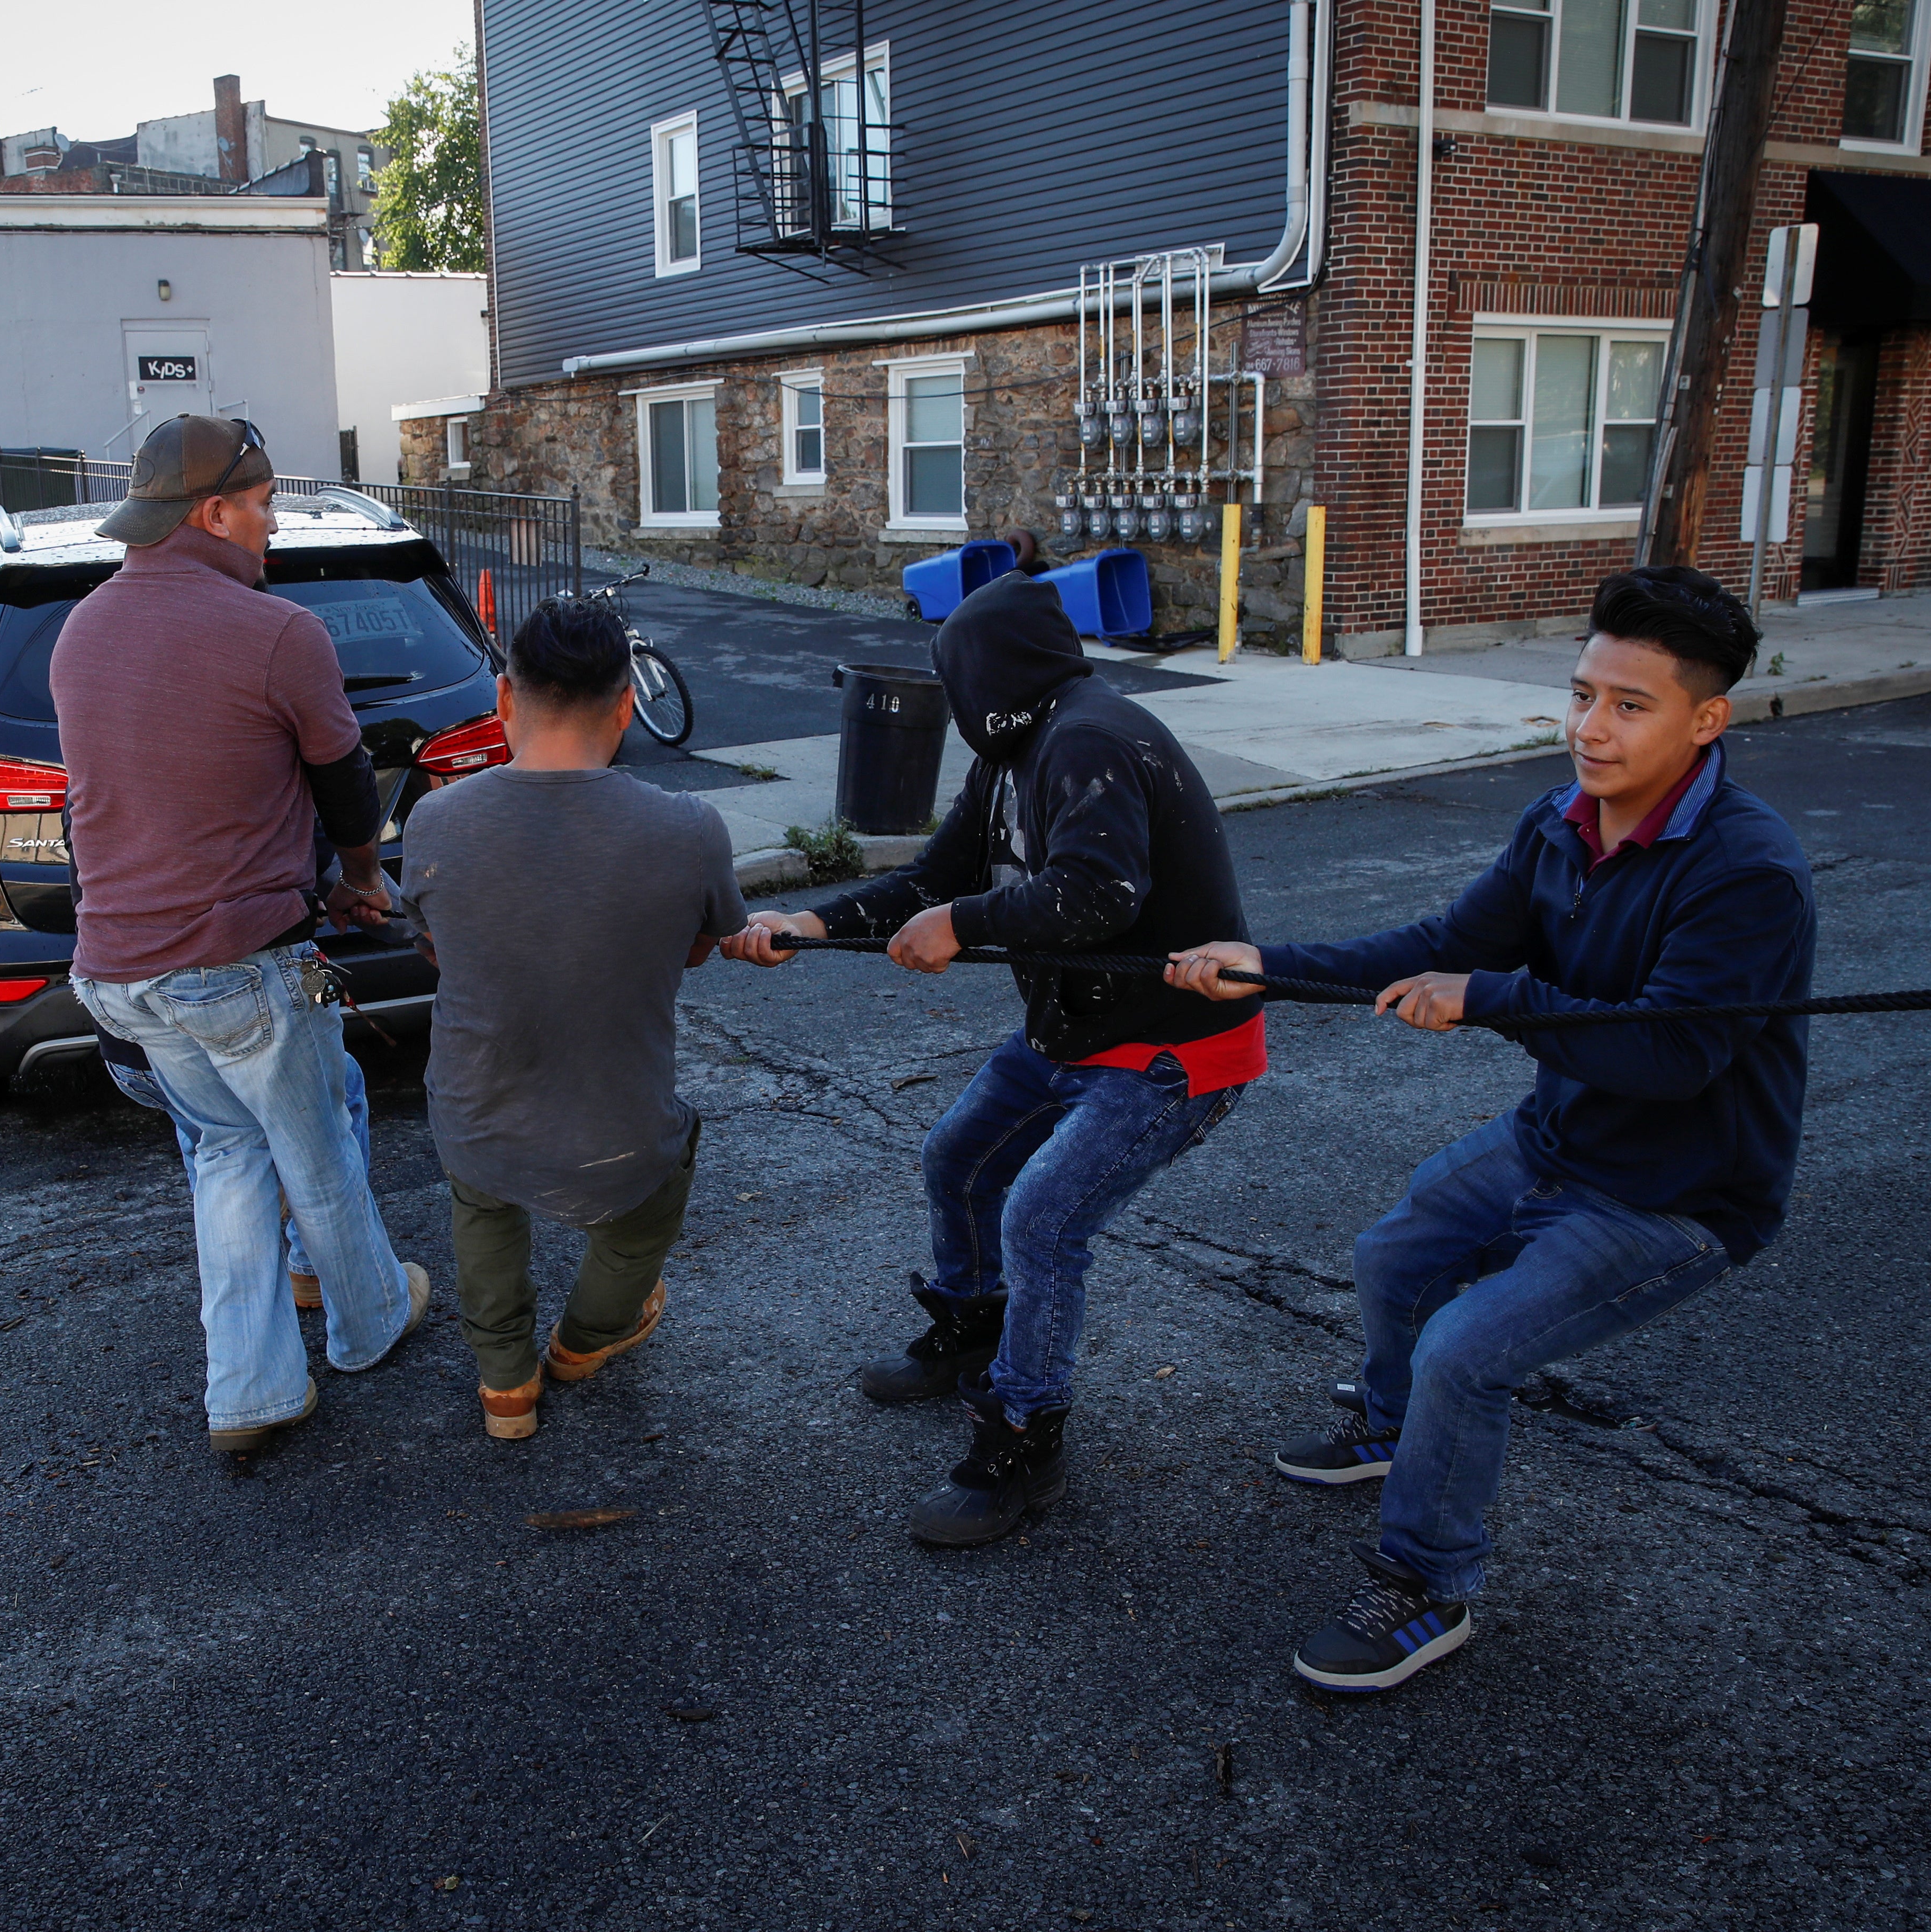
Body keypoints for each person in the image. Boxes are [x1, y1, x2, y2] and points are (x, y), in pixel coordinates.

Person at [1167, 565, 1812, 1694]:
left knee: (1467, 1348)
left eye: (1629, 705)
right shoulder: (1558, 825)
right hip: (1554, 1142)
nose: (1590, 729)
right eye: (1581, 696)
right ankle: (1389, 1428)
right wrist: (1265, 968)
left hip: (1678, 1198)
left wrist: (1497, 999)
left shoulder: (1749, 873)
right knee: (1397, 1255)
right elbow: (1443, 941)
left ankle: (1430, 1584)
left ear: (1706, 721)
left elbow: (1670, 1057)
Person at [722, 571, 1263, 1544]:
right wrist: (811, 916)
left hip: (1172, 1048)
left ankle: (1024, 1435)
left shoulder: (1087, 739)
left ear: (985, 675)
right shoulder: (1014, 750)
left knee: (1042, 1217)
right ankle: (973, 1328)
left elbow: (1099, 893)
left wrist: (961, 925)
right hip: (1071, 1027)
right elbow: (937, 877)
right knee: (959, 1156)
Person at [51, 414, 428, 1463]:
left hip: (120, 970)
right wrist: (359, 879)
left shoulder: (82, 631)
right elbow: (346, 781)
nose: (271, 526)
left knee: (225, 1152)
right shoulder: (278, 634)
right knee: (317, 1157)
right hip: (240, 963)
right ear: (212, 513)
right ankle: (367, 1326)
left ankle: (252, 1388)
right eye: (261, 506)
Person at [396, 597, 748, 1442]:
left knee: (484, 1214)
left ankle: (506, 1386)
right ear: (627, 705)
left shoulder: (437, 819)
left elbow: (438, 949)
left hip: (480, 1109)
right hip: (618, 1123)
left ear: (505, 700)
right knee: (644, 1210)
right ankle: (586, 1340)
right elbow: (699, 948)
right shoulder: (690, 829)